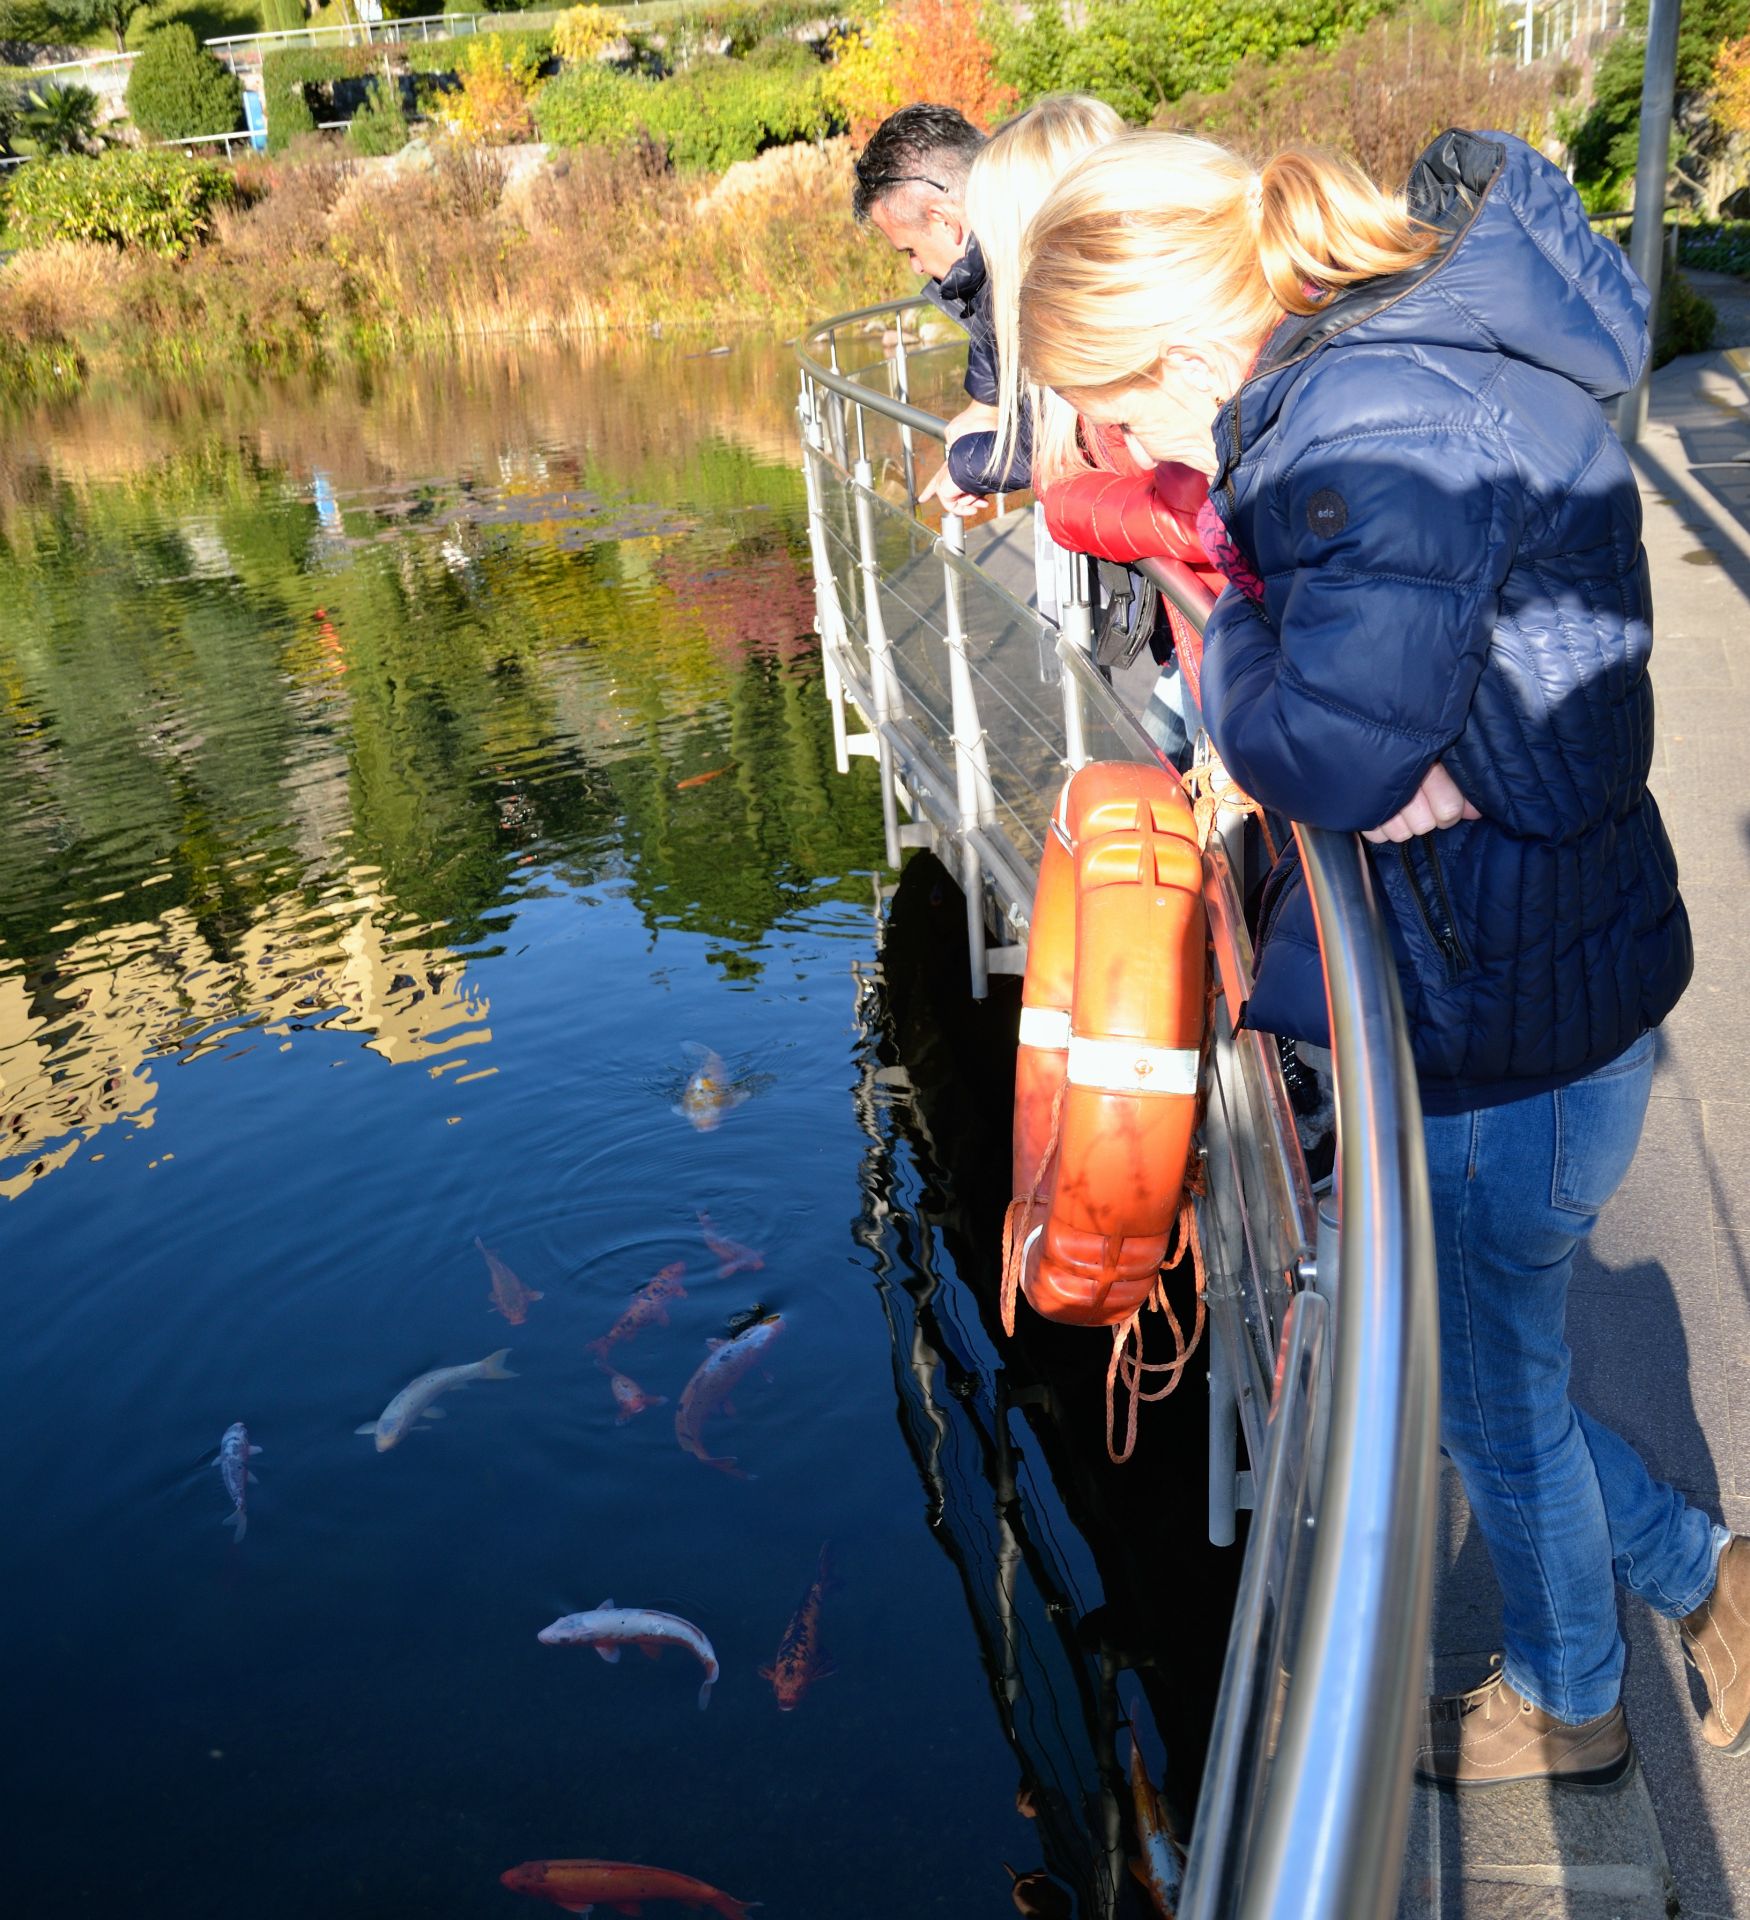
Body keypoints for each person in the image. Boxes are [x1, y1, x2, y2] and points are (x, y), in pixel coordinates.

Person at [1017, 126, 1750, 1784]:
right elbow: (1398, 725)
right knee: (1497, 1363)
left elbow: (1337, 752)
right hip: (1539, 968)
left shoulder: (1366, 420)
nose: (1113, 442)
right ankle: (1706, 1583)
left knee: (1493, 1393)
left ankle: (1569, 1708)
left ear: (1182, 344)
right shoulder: (1379, 373)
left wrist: (1241, 643)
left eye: (1111, 403)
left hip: (1510, 1011)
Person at [956, 94, 1220, 763]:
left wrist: (1047, 490)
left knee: (1162, 779)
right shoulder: (1151, 353)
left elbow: (1206, 517)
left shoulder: (1144, 377)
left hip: (1242, 662)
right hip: (1219, 655)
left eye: (988, 236)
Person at [851, 103, 999, 517]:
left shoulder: (1044, 271)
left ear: (943, 220)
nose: (916, 266)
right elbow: (985, 297)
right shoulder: (1010, 247)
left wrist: (972, 466)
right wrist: (987, 404)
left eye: (910, 249)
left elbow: (1077, 435)